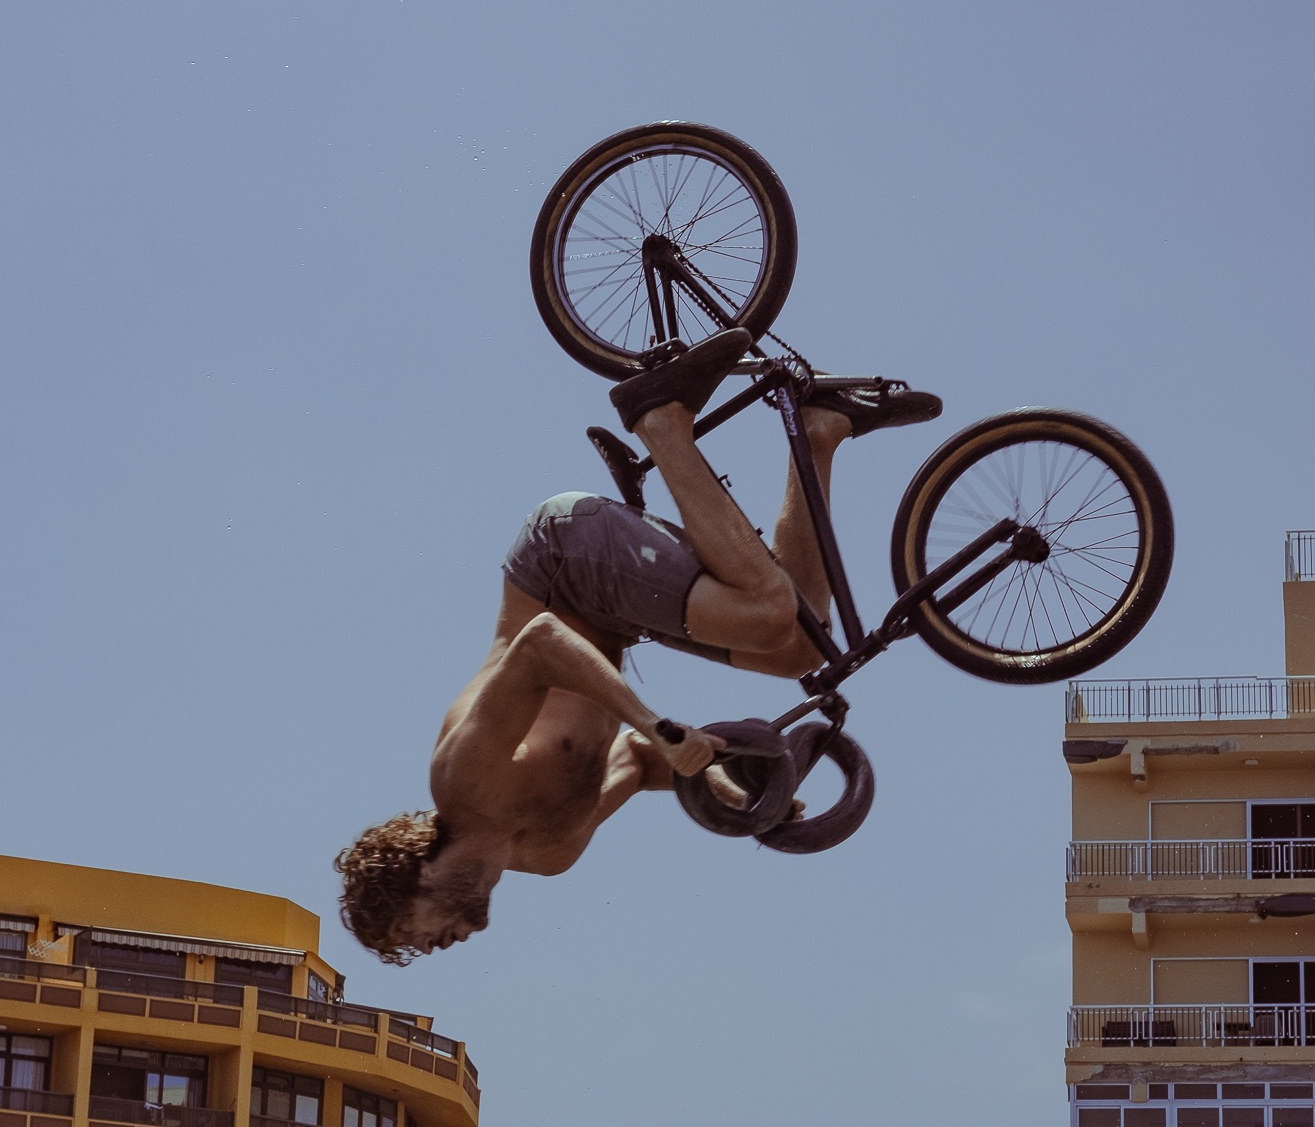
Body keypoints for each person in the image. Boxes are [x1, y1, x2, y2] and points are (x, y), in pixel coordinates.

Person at [335, 330, 941, 963]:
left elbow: (542, 644)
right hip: (614, 615)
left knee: (766, 612)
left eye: (414, 934)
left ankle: (660, 420)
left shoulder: (465, 781)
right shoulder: (553, 852)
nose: (435, 946)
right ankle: (819, 431)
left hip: (562, 561)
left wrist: (653, 725)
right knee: (797, 650)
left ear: (412, 879)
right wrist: (750, 804)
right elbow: (641, 762)